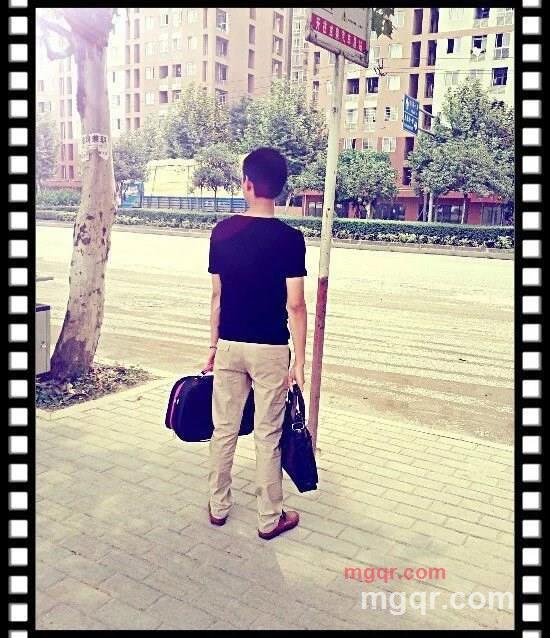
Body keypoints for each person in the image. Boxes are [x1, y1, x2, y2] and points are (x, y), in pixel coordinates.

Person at [204, 147, 308, 540]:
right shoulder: (290, 239)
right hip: (271, 350)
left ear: (246, 184)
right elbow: (296, 305)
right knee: (267, 434)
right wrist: (300, 361)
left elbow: (217, 297)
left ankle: (218, 507)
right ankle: (269, 518)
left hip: (230, 344)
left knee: (224, 430)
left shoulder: (222, 232)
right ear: (280, 188)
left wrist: (212, 347)